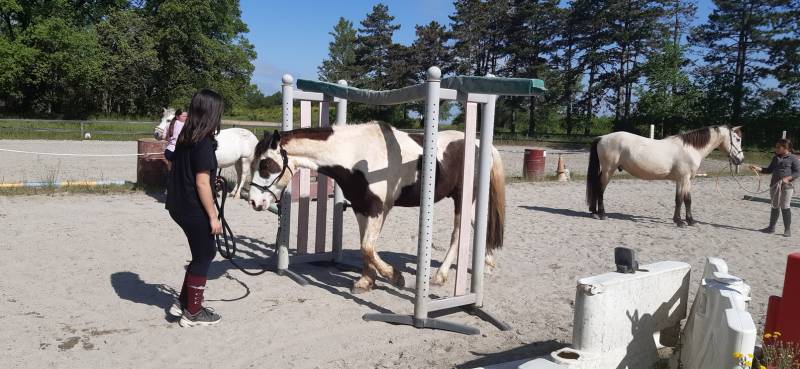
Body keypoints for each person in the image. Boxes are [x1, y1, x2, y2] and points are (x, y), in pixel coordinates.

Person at [166, 89, 224, 326]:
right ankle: (193, 312)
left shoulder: (186, 137)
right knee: (206, 254)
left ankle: (184, 302)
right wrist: (213, 217)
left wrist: (214, 181)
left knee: (201, 253)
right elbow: (201, 182)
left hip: (177, 204)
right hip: (192, 206)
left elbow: (192, 173)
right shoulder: (203, 143)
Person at [749, 138, 800, 237]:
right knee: (775, 206)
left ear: (786, 148)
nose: (776, 148)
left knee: (785, 206)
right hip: (774, 185)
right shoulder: (775, 158)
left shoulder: (793, 158)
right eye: (776, 146)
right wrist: (757, 168)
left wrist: (787, 178)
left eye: (778, 147)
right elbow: (768, 170)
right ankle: (771, 228)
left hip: (787, 187)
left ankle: (787, 230)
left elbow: (797, 172)